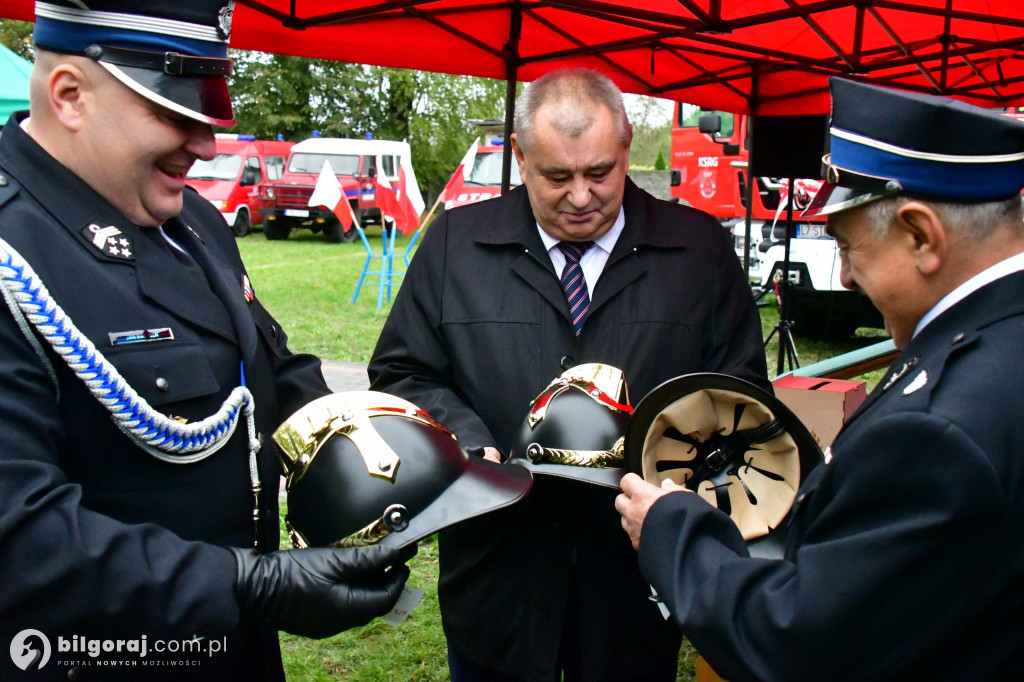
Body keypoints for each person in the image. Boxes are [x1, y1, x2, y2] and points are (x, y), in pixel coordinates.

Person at [0, 2, 412, 680]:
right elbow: (23, 541)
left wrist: (405, 454)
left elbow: (269, 367)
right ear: (70, 96)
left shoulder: (190, 218)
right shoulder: (14, 250)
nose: (207, 144)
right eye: (174, 113)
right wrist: (249, 585)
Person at [616, 76, 1024, 682]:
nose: (846, 276)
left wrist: (673, 531)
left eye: (847, 245)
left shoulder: (935, 431)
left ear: (921, 236)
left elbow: (798, 644)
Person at [368, 67, 769, 681]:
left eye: (600, 173)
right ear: (521, 158)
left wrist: (683, 483)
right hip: (499, 576)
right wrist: (466, 441)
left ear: (627, 147)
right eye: (557, 177)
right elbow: (401, 370)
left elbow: (743, 398)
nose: (581, 197)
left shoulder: (699, 252)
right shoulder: (457, 245)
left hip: (633, 587)